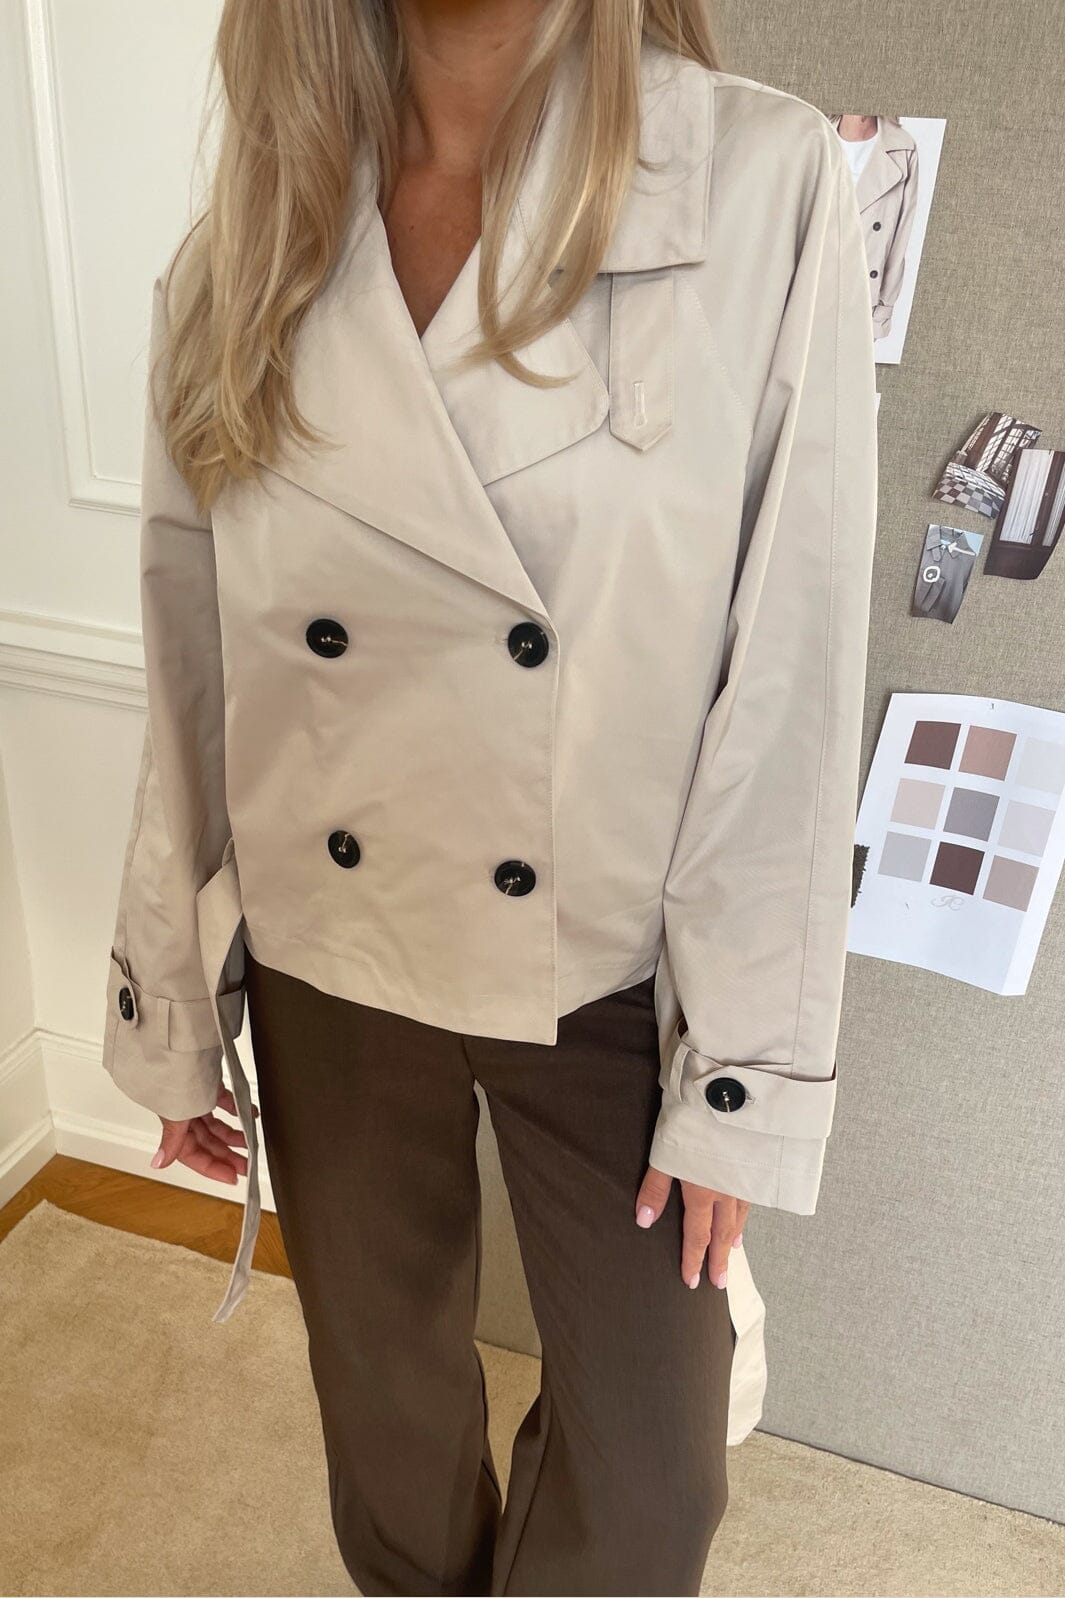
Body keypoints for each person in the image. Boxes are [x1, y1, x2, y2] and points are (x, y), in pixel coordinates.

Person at [100, 1, 879, 1593]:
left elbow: (788, 666)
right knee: (385, 1435)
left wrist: (744, 1064)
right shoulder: (248, 238)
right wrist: (171, 998)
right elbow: (195, 654)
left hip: (611, 962)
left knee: (650, 1484)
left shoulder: (755, 180)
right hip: (329, 948)